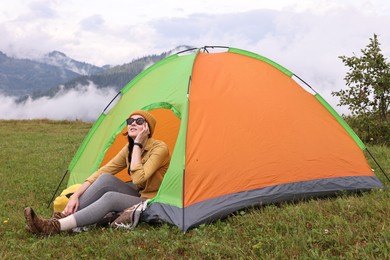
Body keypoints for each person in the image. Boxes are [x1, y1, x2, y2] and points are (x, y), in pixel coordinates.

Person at [24, 110, 170, 235]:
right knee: (105, 178)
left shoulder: (159, 148)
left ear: (147, 129)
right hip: (140, 192)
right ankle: (58, 219)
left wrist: (138, 144)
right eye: (130, 120)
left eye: (139, 121)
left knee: (110, 198)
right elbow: (103, 170)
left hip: (154, 199)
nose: (132, 123)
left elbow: (139, 178)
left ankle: (57, 227)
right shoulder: (129, 149)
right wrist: (75, 196)